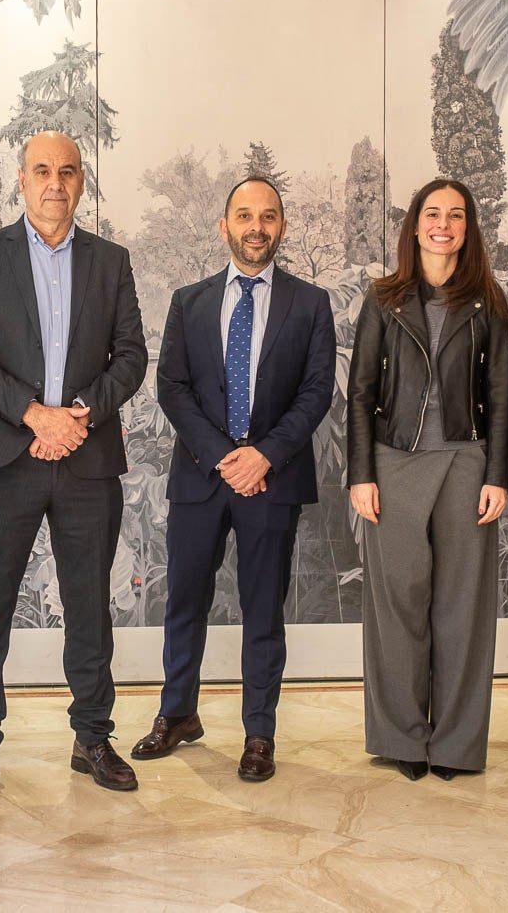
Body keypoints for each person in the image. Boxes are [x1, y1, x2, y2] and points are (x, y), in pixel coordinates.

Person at [0, 130, 147, 799]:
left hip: (86, 459)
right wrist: (35, 416)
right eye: (41, 170)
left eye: (66, 171)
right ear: (21, 179)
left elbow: (131, 355)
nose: (54, 182)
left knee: (88, 604)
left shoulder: (110, 261)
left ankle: (92, 735)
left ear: (81, 181)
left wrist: (79, 414)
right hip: (8, 456)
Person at [130, 177, 335, 781]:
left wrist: (263, 455)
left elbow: (315, 391)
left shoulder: (310, 303)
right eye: (244, 215)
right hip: (202, 476)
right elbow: (172, 385)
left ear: (282, 227)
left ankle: (258, 733)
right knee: (184, 602)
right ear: (224, 226)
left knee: (262, 608)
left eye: (268, 216)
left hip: (272, 478)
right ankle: (178, 713)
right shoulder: (188, 302)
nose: (256, 226)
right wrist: (225, 455)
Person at [346, 179, 508, 782]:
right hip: (393, 463)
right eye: (433, 214)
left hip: (467, 465)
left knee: (463, 608)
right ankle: (401, 739)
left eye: (456, 216)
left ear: (467, 229)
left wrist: (498, 474)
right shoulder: (384, 299)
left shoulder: (488, 301)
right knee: (397, 606)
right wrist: (361, 474)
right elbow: (360, 393)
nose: (444, 225)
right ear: (414, 226)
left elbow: (500, 396)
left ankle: (456, 746)